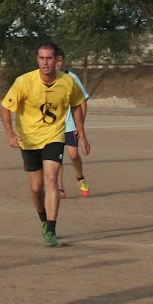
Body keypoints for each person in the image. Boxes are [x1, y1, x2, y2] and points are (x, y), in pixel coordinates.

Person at [0, 41, 87, 247]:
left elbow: (77, 105)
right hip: (28, 139)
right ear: (37, 59)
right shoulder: (24, 81)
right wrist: (11, 135)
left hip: (54, 136)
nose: (45, 63)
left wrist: (81, 132)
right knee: (37, 188)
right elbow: (5, 108)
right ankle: (42, 218)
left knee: (51, 180)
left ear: (56, 60)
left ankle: (51, 228)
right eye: (41, 58)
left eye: (49, 58)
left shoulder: (67, 81)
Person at [55, 50, 92, 197]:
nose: (56, 63)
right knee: (56, 158)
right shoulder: (47, 79)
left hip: (70, 125)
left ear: (64, 61)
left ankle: (80, 176)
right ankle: (59, 188)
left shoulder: (71, 78)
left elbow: (82, 101)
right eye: (54, 60)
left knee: (73, 155)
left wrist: (80, 125)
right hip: (54, 127)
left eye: (59, 60)